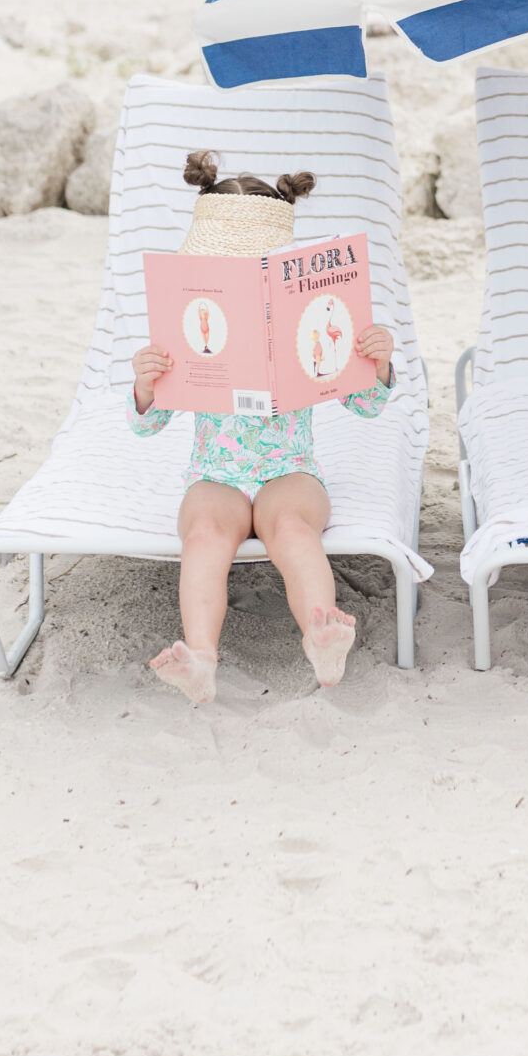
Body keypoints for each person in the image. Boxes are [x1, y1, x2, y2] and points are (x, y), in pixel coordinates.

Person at [128, 152, 395, 703]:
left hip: (288, 470)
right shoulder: (190, 324)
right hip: (216, 473)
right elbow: (147, 428)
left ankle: (322, 634)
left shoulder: (310, 320)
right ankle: (201, 657)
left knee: (294, 529)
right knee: (203, 535)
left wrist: (378, 362)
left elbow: (367, 408)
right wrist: (147, 387)